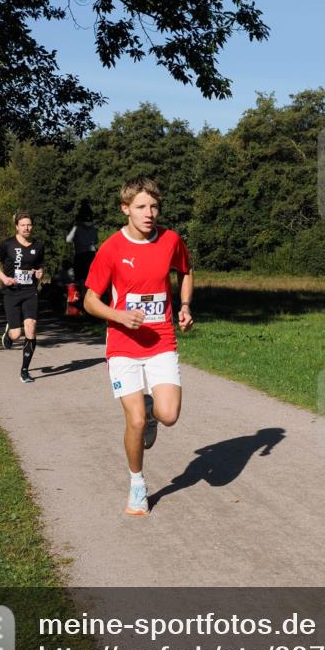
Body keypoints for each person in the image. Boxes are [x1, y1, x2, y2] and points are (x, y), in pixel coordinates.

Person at [84, 177, 194, 516]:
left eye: (154, 206)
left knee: (169, 415)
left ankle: (152, 413)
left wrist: (185, 306)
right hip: (122, 344)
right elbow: (90, 301)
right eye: (142, 207)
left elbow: (186, 271)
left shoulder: (172, 240)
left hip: (161, 340)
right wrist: (117, 315)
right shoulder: (111, 249)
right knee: (132, 421)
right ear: (126, 208)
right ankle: (137, 483)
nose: (150, 213)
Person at [0, 211, 44, 384]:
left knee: (31, 326)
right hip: (11, 292)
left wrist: (40, 273)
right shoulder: (7, 245)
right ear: (17, 227)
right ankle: (9, 332)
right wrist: (4, 278)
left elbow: (39, 268)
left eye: (29, 225)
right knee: (16, 334)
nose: (27, 228)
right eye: (23, 225)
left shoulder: (39, 246)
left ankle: (24, 370)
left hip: (30, 292)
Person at [66, 201, 98, 302]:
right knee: (91, 278)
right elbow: (96, 240)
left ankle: (84, 299)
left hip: (80, 254)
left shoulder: (77, 227)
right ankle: (92, 299)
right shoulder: (93, 227)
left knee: (81, 278)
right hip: (92, 254)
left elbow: (68, 240)